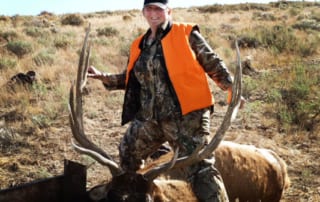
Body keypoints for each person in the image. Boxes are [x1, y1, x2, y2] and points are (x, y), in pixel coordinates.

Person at [88, 0, 244, 201]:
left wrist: (231, 89)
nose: (154, 13)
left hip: (187, 117)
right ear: (144, 12)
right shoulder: (140, 44)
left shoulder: (186, 33)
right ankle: (138, 194)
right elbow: (132, 79)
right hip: (152, 119)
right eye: (149, 9)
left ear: (168, 11)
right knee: (128, 151)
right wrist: (104, 77)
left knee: (200, 169)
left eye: (158, 9)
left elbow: (213, 63)